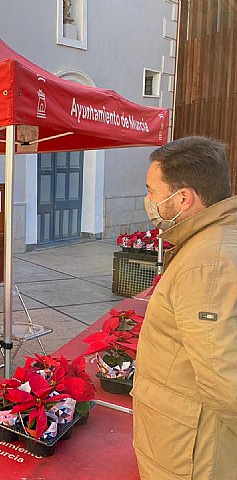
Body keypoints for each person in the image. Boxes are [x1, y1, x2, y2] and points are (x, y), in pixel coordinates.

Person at [132, 136, 237, 479]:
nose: (148, 201)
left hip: (189, 454)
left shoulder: (207, 263)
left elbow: (225, 378)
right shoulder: (213, 239)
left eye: (151, 191)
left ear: (183, 198)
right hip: (187, 438)